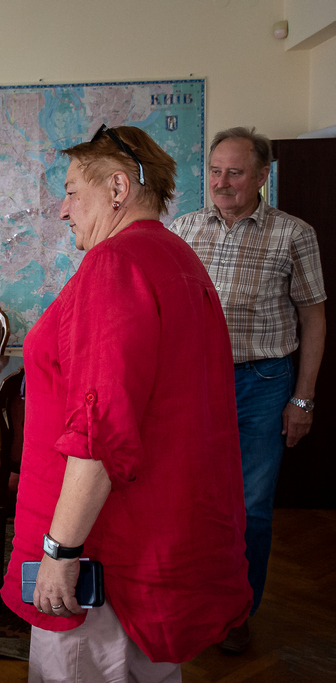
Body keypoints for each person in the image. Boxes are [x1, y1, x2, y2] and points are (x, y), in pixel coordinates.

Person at [1, 125, 252, 680]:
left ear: (118, 188)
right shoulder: (176, 256)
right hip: (157, 543)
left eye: (72, 192)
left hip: (106, 552)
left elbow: (100, 432)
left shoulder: (114, 264)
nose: (63, 209)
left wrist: (60, 552)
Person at [170, 127, 326, 653]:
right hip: (194, 384)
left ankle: (238, 612)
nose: (222, 182)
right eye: (215, 171)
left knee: (252, 507)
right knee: (191, 501)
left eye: (235, 172)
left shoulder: (294, 234)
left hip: (263, 384)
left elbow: (314, 318)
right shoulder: (183, 229)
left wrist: (302, 399)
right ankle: (194, 603)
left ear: (262, 176)